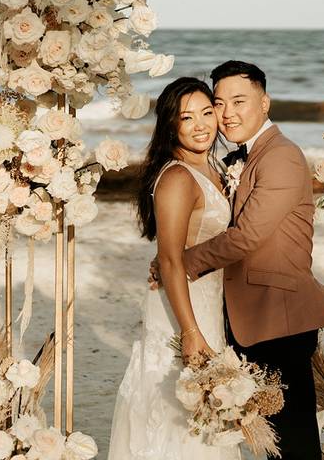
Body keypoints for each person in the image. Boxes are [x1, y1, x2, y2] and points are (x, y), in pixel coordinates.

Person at [153, 60, 324, 459]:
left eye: (238, 101)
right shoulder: (235, 160)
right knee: (269, 441)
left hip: (278, 317)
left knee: (292, 441)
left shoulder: (280, 156)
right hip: (247, 319)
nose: (227, 114)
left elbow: (248, 236)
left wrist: (181, 261)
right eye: (218, 104)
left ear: (265, 102)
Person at [107, 77, 239, 460]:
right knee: (178, 402)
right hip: (183, 306)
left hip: (207, 299)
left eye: (206, 112)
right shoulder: (178, 177)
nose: (201, 125)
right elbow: (169, 259)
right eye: (186, 118)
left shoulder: (212, 166)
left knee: (205, 403)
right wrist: (190, 331)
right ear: (170, 125)